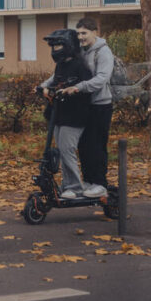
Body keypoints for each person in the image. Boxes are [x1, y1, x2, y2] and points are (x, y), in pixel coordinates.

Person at [59, 17, 113, 198]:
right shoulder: (81, 51)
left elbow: (102, 79)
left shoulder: (103, 52)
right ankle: (88, 181)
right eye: (78, 33)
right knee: (84, 146)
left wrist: (79, 87)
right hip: (84, 106)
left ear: (94, 32)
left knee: (97, 146)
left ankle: (100, 184)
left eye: (84, 33)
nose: (81, 37)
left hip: (100, 105)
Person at [38, 29, 93, 200]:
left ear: (69, 45)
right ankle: (67, 185)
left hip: (75, 116)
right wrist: (44, 89)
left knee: (67, 150)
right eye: (53, 46)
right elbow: (55, 82)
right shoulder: (61, 65)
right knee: (60, 151)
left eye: (59, 45)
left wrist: (71, 91)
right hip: (59, 114)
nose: (55, 49)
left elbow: (85, 88)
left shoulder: (80, 65)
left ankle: (76, 187)